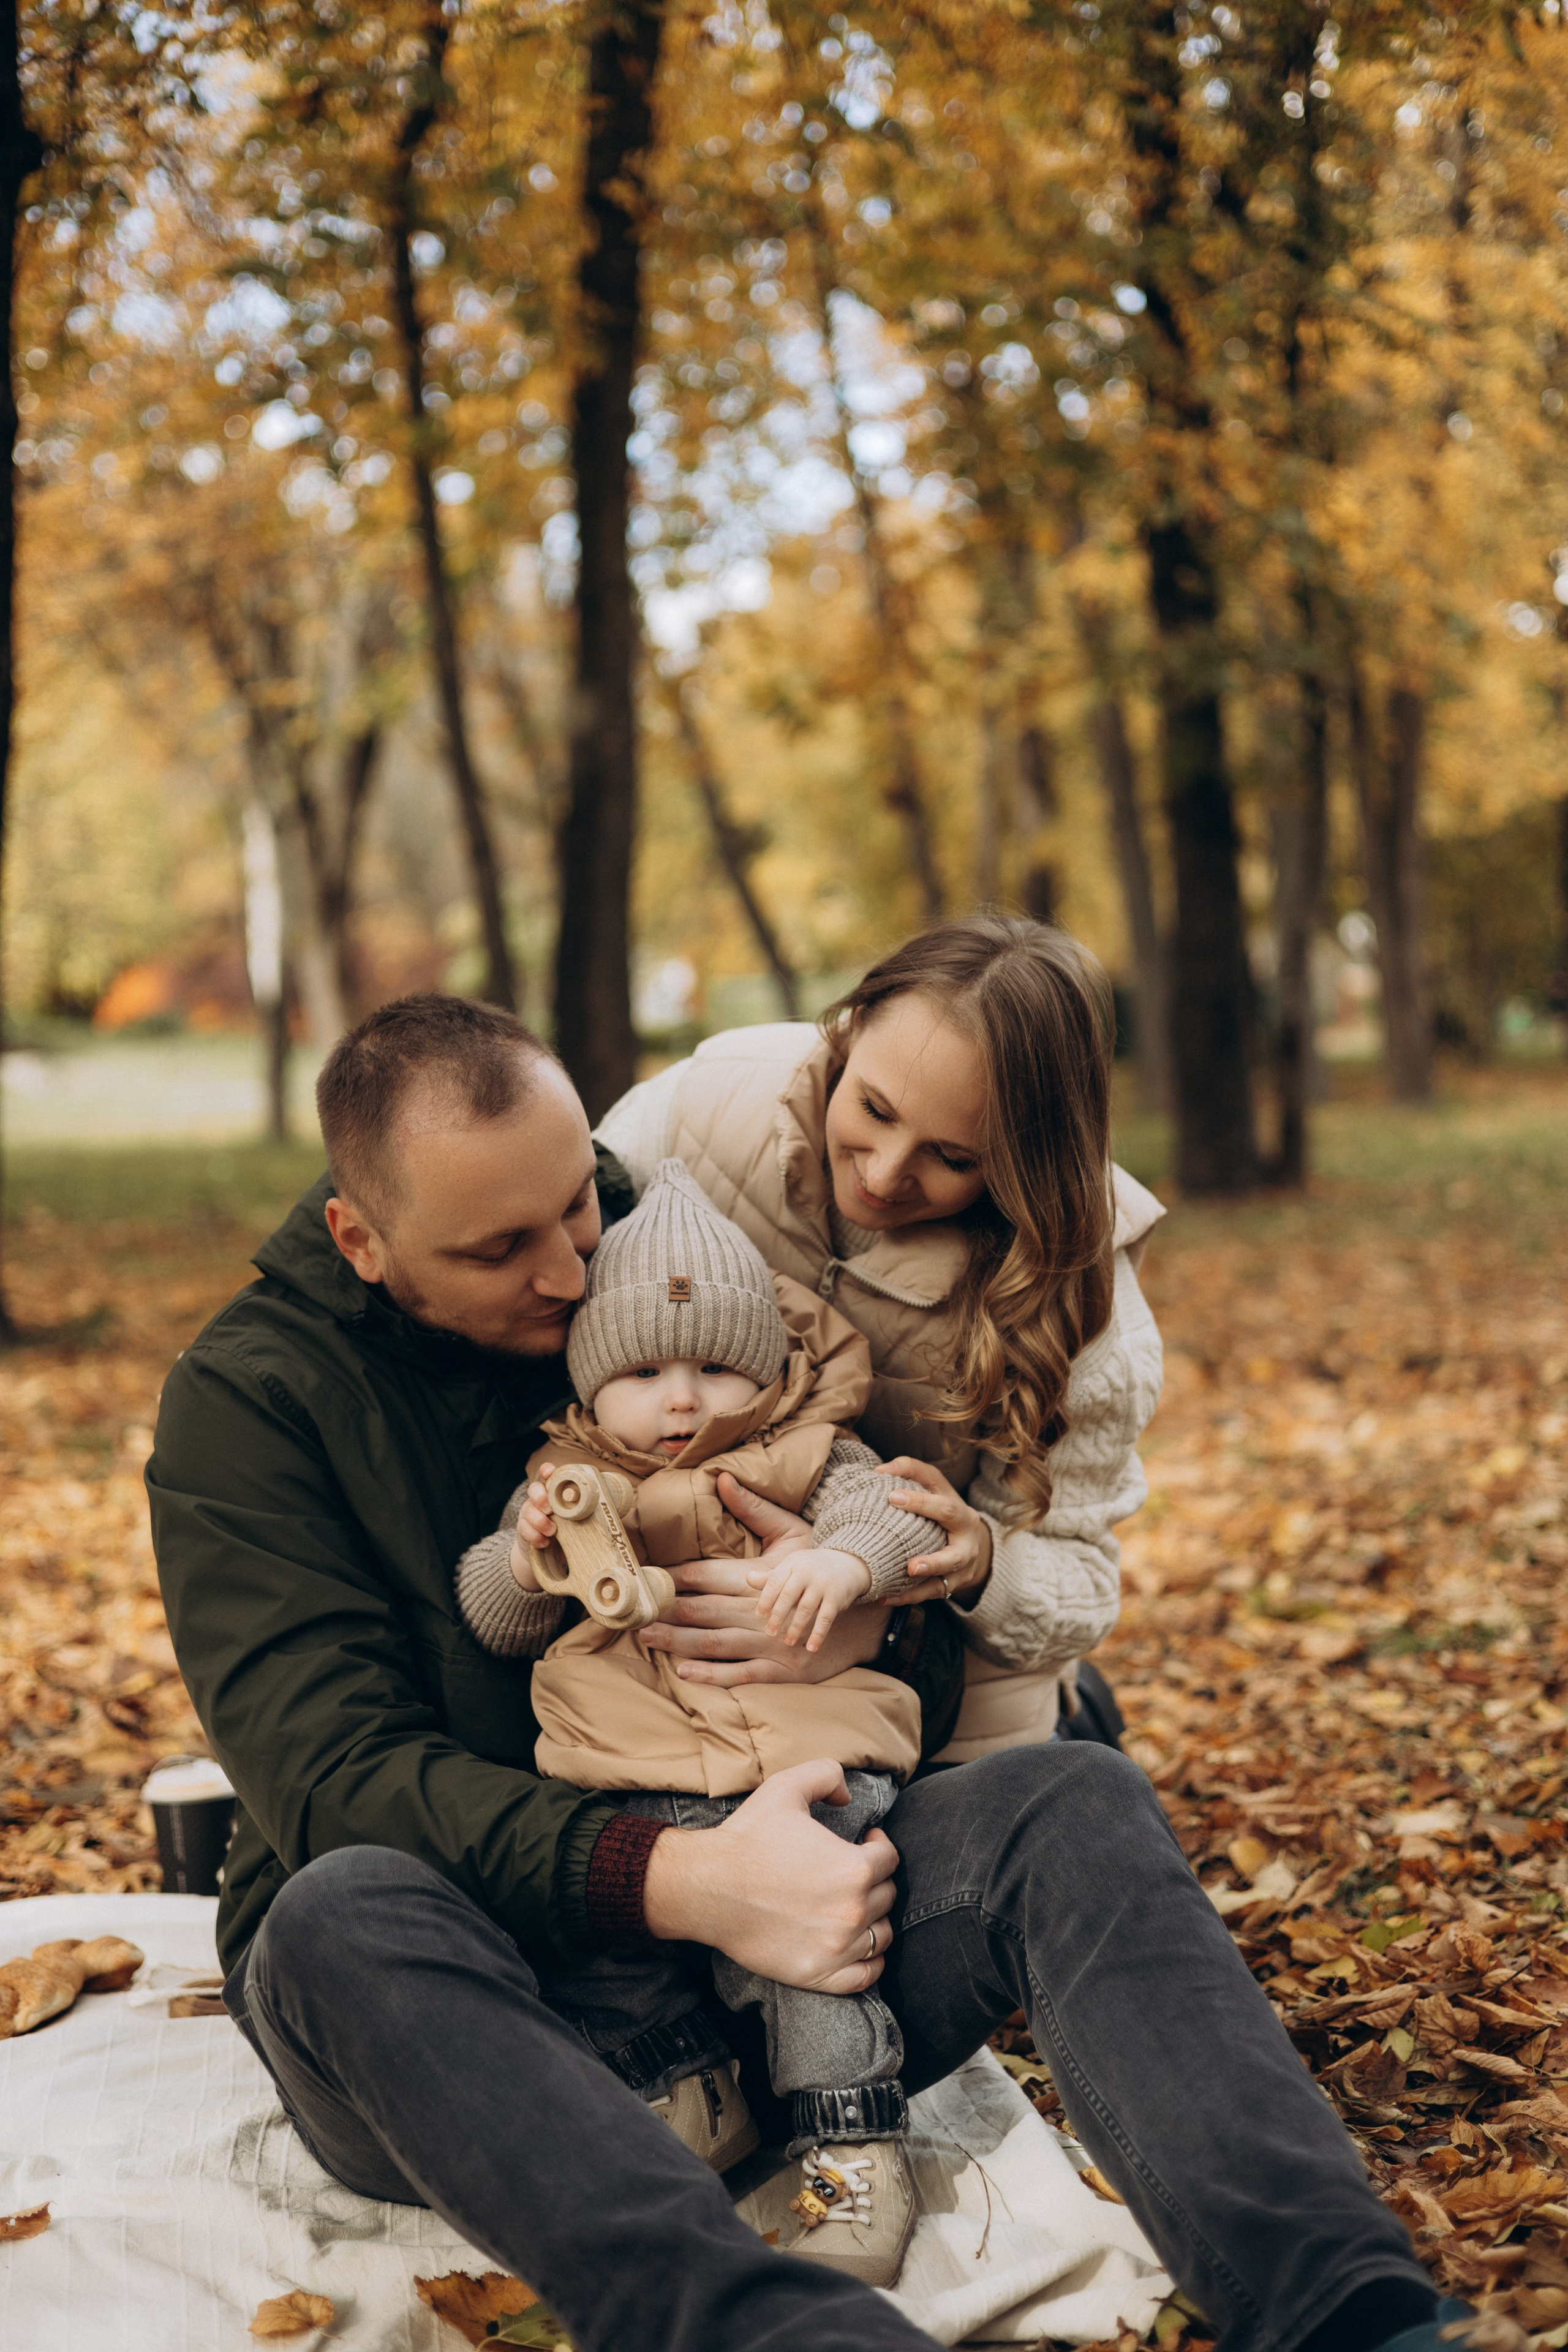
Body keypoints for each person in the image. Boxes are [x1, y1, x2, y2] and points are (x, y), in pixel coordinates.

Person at [148, 986, 1460, 2352]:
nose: (568, 1274)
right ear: (360, 1240)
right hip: (487, 2020)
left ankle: (1350, 2310)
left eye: (574, 1205)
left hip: (807, 1965)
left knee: (1072, 1798)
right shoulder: (248, 1403)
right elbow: (334, 1783)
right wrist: (694, 1883)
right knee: (335, 1912)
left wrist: (865, 1627)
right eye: (498, 1251)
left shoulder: (662, 1258)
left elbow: (894, 1576)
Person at [454, 1156, 949, 2285]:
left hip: (804, 1769)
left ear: (766, 1369)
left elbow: (895, 1514)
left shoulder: (810, 1449)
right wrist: (529, 1562)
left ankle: (851, 2152)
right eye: (643, 1373)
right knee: (593, 1940)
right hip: (631, 1779)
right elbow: (491, 1615)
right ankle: (686, 2090)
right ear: (591, 1383)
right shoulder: (567, 1478)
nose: (681, 1401)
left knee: (816, 1961)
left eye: (718, 1368)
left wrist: (844, 1566)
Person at [594, 916, 1164, 1762]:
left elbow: (1079, 1586)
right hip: (655, 1696)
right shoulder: (694, 1112)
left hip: (943, 1717)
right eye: (874, 1108)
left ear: (1024, 1158)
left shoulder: (1078, 1293)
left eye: (954, 1158)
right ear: (853, 1025)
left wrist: (976, 1566)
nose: (887, 1173)